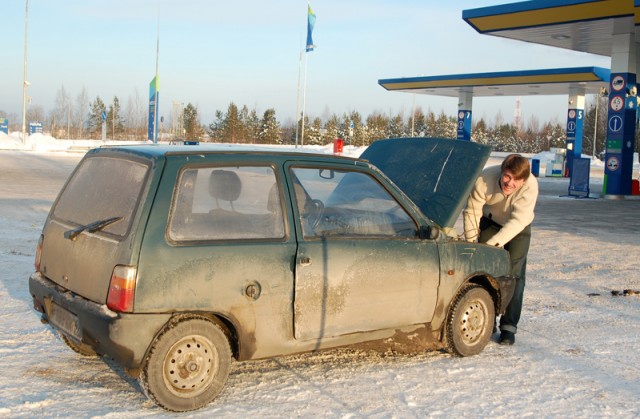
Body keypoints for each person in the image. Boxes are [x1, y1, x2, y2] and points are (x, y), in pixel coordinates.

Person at [463, 154, 539, 346]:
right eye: (507, 176)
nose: (510, 183)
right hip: (490, 220)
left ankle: (509, 326)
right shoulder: (484, 178)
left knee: (514, 274)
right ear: (501, 171)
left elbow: (517, 222)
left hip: (518, 226)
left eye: (517, 180)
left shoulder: (531, 186)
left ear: (524, 180)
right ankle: (487, 319)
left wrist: (491, 247)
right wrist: (474, 245)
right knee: (484, 270)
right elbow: (472, 212)